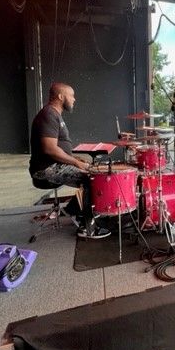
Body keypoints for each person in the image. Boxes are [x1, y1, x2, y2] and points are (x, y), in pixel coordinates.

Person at [29, 82, 110, 239]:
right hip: (45, 169)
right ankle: (87, 228)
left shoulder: (54, 115)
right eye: (71, 95)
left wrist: (75, 159)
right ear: (60, 96)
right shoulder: (48, 114)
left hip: (55, 165)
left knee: (93, 172)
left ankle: (74, 210)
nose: (74, 99)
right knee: (91, 179)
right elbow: (50, 149)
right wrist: (76, 162)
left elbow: (59, 148)